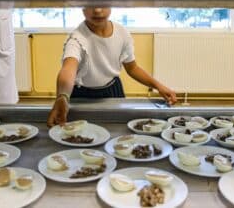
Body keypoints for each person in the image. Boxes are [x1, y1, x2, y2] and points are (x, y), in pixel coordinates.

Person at [48, 7, 177, 126]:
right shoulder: (76, 38)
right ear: (81, 6)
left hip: (112, 90)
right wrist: (63, 96)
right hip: (82, 94)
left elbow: (132, 68)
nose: (97, 10)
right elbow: (68, 68)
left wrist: (158, 86)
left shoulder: (122, 33)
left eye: (103, 3)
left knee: (117, 130)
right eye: (90, 4)